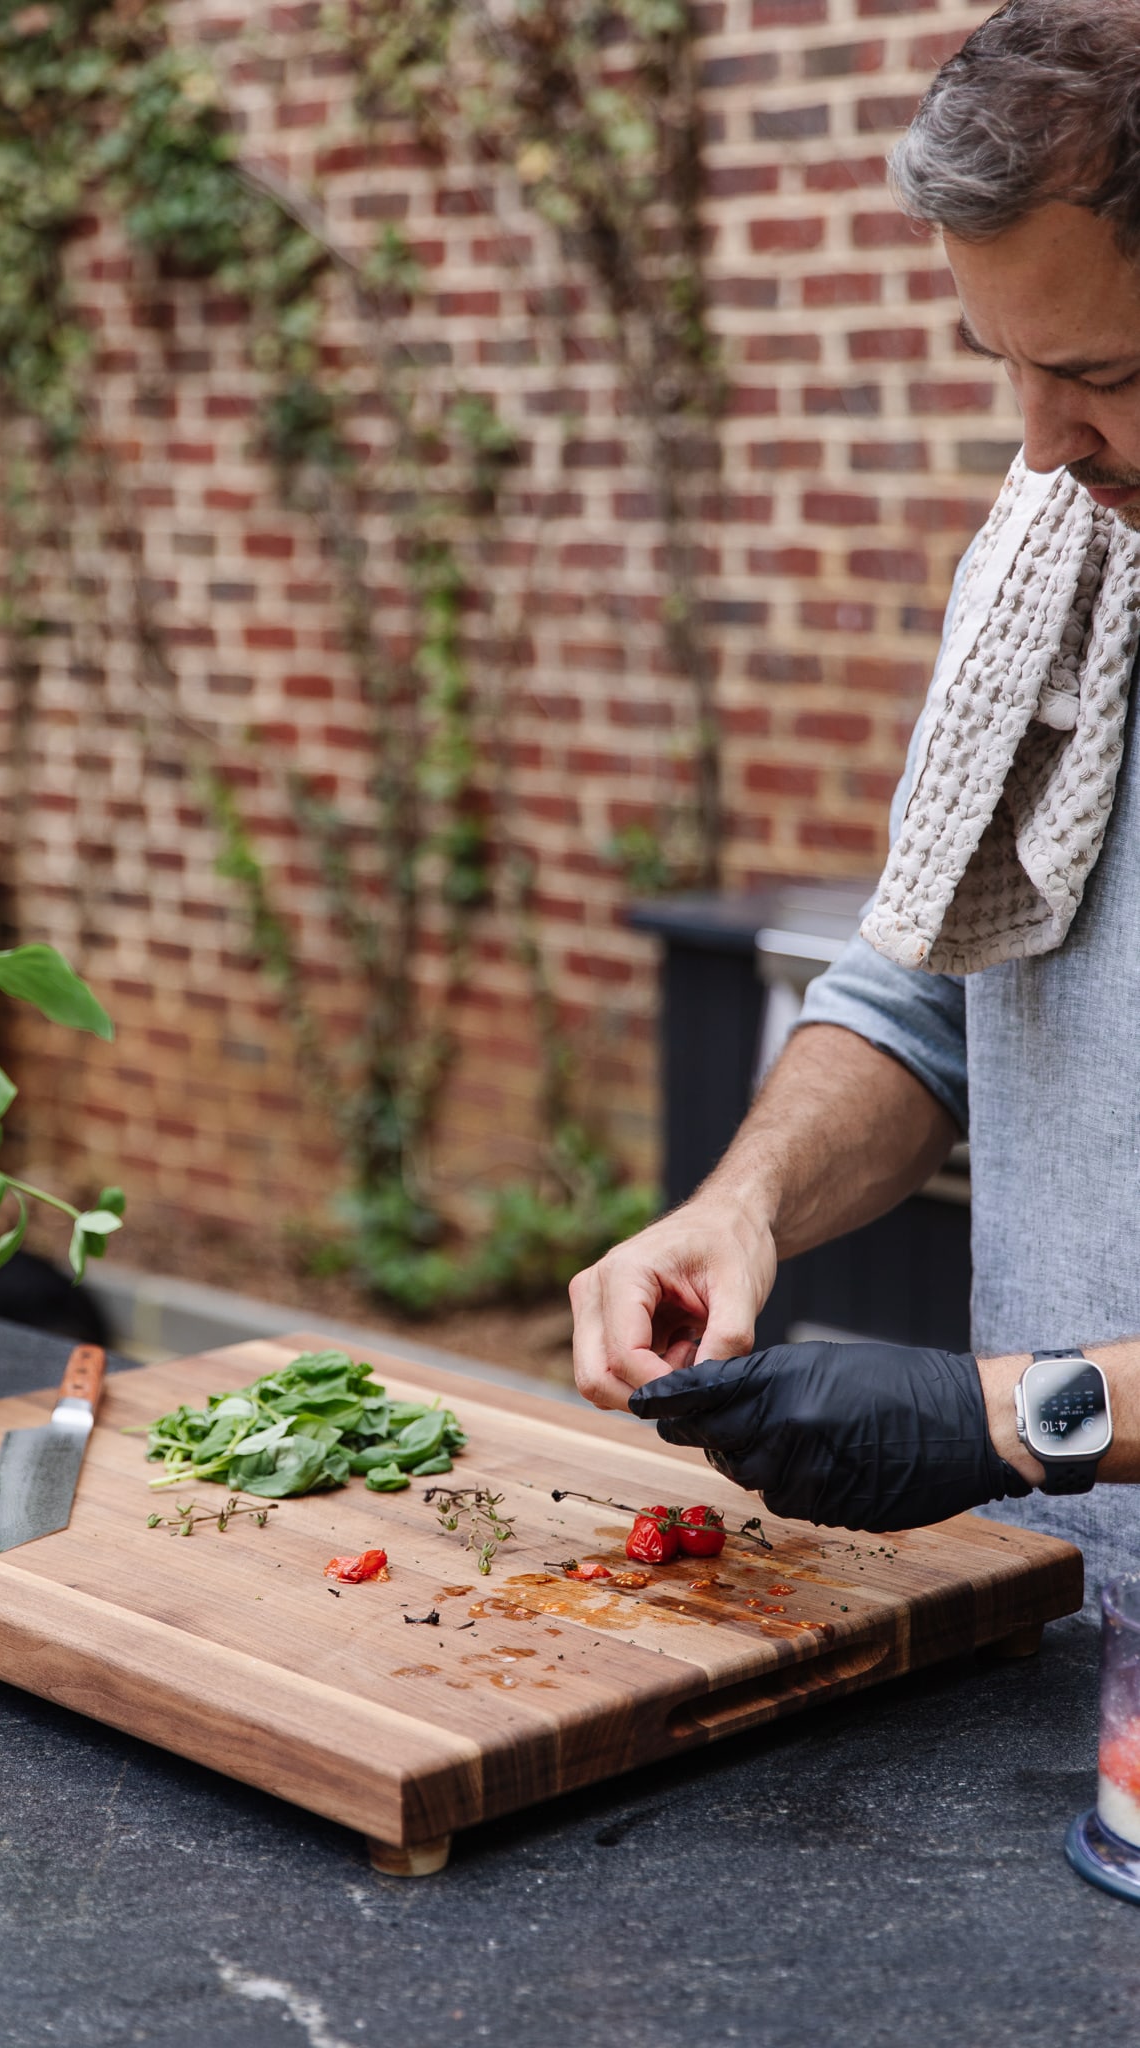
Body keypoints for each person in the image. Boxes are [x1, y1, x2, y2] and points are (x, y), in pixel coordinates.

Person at [569, 0, 1140, 1596]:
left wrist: (1020, 1415)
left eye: (1100, 372)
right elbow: (928, 1004)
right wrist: (738, 1210)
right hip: (1064, 1623)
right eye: (1002, 366)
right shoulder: (1059, 550)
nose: (1038, 443)